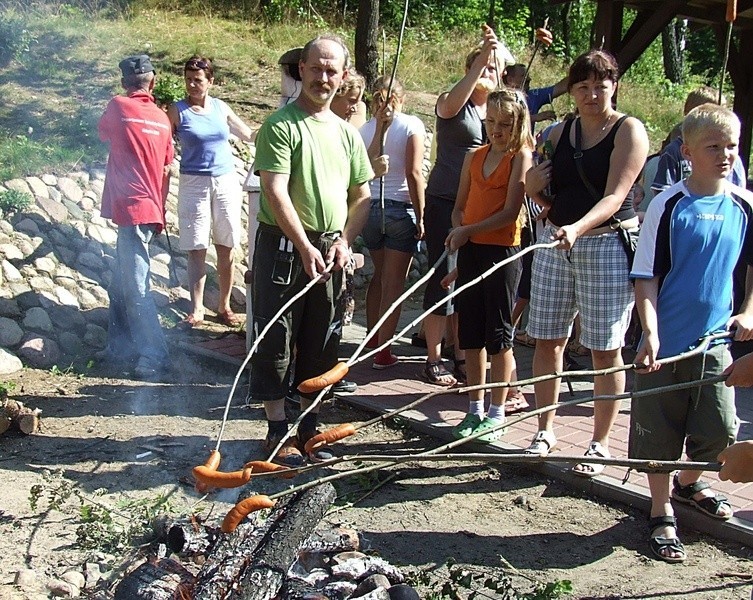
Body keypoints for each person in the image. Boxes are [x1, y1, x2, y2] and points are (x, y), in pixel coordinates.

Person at [629, 103, 753, 562]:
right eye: (713, 146)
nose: (724, 155)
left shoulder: (744, 205)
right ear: (688, 151)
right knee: (658, 432)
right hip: (665, 347)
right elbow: (646, 276)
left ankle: (688, 485)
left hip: (717, 343)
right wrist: (650, 333)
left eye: (732, 147)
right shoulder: (669, 204)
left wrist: (748, 312)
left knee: (719, 429)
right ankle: (661, 510)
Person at [248, 34, 372, 467]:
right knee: (276, 340)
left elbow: (362, 197)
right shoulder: (280, 125)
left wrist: (344, 241)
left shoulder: (347, 134)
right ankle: (278, 430)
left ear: (343, 76)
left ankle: (310, 430)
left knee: (323, 343)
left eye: (332, 70)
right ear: (301, 68)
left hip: (330, 252)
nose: (324, 77)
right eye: (316, 68)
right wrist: (303, 245)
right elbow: (275, 190)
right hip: (284, 249)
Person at [523, 50, 648, 473]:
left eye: (601, 84)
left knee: (604, 348)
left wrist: (576, 228)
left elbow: (616, 196)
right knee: (548, 339)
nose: (592, 94)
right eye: (583, 86)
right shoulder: (559, 132)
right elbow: (538, 180)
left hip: (606, 243)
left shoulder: (629, 130)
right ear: (572, 90)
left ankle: (599, 443)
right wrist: (531, 187)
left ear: (614, 85)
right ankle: (544, 430)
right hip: (556, 242)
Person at [420, 24, 512, 387]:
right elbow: (449, 105)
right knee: (441, 276)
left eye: (493, 68)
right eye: (481, 67)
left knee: (468, 280)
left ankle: (461, 353)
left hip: (478, 209)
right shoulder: (453, 102)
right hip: (445, 201)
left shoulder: (495, 111)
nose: (487, 73)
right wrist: (481, 61)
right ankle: (432, 357)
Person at [440, 89, 532, 440]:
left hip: (501, 254)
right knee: (471, 333)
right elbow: (458, 205)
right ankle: (474, 408)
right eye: (491, 122)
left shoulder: (520, 157)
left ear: (518, 123)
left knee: (499, 334)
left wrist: (468, 230)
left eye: (505, 123)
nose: (497, 129)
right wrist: (459, 231)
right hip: (471, 250)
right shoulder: (474, 157)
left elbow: (510, 212)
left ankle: (497, 410)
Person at [97, 55, 174, 380]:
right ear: (153, 83)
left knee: (137, 287)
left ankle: (154, 354)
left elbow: (103, 134)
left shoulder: (117, 106)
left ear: (123, 83)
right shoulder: (161, 117)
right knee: (121, 281)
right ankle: (118, 347)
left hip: (132, 209)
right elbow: (167, 168)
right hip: (150, 209)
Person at [167, 55, 256, 329]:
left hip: (225, 180)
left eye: (199, 80)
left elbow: (249, 134)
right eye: (189, 80)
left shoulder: (220, 107)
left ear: (211, 81)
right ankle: (196, 309)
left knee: (226, 244)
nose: (193, 85)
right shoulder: (177, 110)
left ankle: (224, 306)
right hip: (193, 183)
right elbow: (163, 142)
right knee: (196, 246)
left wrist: (278, 124)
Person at [360, 76, 426, 369]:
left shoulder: (364, 129)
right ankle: (383, 350)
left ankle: (372, 337)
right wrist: (422, 215)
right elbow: (414, 173)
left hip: (369, 209)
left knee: (379, 275)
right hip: (400, 207)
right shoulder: (411, 125)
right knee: (394, 283)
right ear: (403, 98)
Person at [503, 61, 568, 126]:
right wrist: (535, 117)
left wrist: (576, 74)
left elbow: (559, 88)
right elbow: (506, 119)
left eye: (527, 76)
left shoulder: (534, 95)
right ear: (510, 80)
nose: (529, 79)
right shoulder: (500, 99)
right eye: (524, 76)